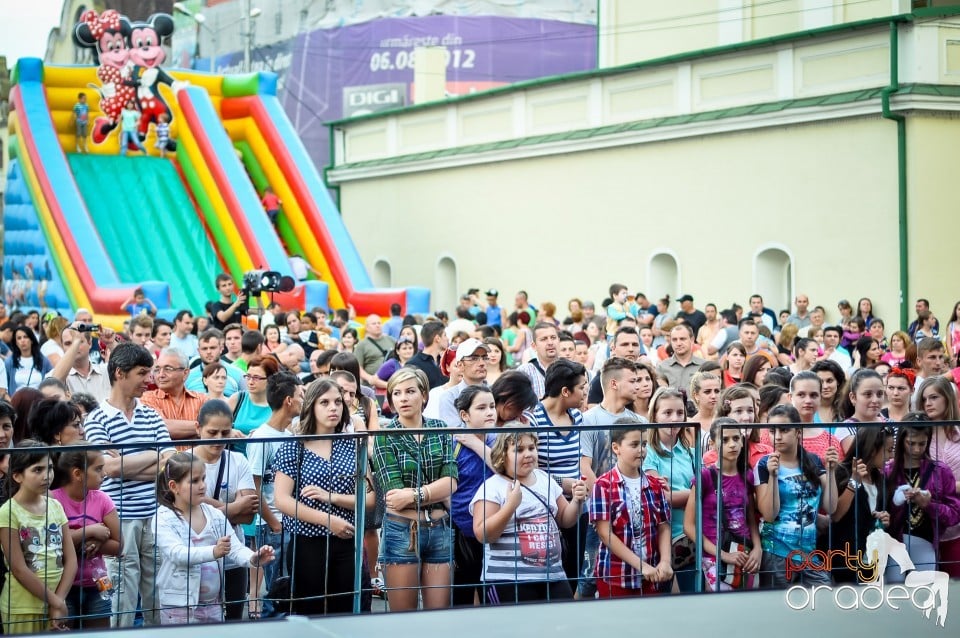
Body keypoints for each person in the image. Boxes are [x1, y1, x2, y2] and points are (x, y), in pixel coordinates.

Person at [83, 342, 175, 627]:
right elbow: (107, 468)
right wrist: (155, 454)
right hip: (119, 518)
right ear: (120, 374)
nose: (149, 380)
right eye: (142, 373)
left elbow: (171, 464)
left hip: (155, 514)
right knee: (122, 593)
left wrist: (128, 464)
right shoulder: (96, 418)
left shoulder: (151, 414)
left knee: (157, 590)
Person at [273, 378, 374, 615]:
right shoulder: (293, 446)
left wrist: (332, 498)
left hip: (347, 539)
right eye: (325, 402)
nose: (334, 408)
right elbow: (283, 500)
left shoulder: (352, 445)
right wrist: (328, 520)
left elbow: (369, 499)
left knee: (347, 609)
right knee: (310, 610)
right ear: (311, 406)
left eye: (338, 402)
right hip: (307, 541)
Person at [372, 369, 458, 611]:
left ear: (423, 395)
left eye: (410, 391)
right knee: (404, 619)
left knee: (439, 618)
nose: (403, 398)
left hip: (439, 528)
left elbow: (451, 481)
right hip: (401, 530)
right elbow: (394, 495)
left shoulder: (440, 428)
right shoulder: (385, 436)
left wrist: (416, 494)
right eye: (396, 393)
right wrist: (433, 492)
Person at [154, 452, 274, 624]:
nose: (202, 485)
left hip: (214, 605)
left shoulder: (213, 514)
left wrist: (252, 558)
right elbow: (177, 554)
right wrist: (214, 551)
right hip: (178, 606)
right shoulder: (164, 518)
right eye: (194, 481)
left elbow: (234, 547)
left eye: (203, 478)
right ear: (174, 486)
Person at [470, 430, 586, 604]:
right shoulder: (493, 487)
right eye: (519, 450)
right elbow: (483, 534)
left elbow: (565, 519)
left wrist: (577, 501)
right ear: (502, 456)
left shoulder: (544, 479)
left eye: (532, 448)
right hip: (508, 580)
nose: (528, 454)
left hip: (553, 575)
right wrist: (510, 506)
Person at [754, 407, 840, 587]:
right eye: (772, 431)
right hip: (777, 553)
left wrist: (831, 471)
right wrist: (773, 475)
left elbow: (831, 506)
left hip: (808, 553)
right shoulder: (764, 464)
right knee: (779, 611)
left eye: (784, 430)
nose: (777, 436)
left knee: (822, 599)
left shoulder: (813, 460)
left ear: (798, 432)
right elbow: (769, 514)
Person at [588, 420, 673, 598]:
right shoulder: (603, 485)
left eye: (643, 444)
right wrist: (642, 566)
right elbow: (605, 533)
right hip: (616, 576)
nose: (641, 450)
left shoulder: (654, 484)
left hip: (651, 575)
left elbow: (664, 524)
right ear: (616, 448)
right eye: (634, 444)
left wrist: (665, 561)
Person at [191, 401, 259, 620]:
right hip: (195, 555)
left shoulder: (238, 460)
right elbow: (188, 512)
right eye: (212, 432)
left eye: (225, 432)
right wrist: (234, 508)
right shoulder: (183, 462)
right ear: (198, 428)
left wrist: (204, 504)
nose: (219, 438)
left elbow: (248, 513)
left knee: (234, 618)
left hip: (233, 553)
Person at [0, 440, 77, 633]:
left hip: (56, 603)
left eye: (49, 468)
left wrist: (58, 602)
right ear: (17, 476)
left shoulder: (56, 506)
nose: (46, 476)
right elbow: (18, 568)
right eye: (37, 470)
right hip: (22, 608)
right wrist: (56, 601)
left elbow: (71, 559)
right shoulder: (8, 512)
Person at [684, 418, 762, 591]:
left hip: (744, 553)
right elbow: (689, 526)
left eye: (736, 438)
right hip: (714, 557)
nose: (732, 444)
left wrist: (758, 548)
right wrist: (724, 555)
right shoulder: (705, 476)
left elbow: (751, 519)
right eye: (725, 440)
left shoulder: (747, 475)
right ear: (713, 444)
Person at [532, 359, 588, 589]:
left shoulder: (578, 418)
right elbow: (529, 469)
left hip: (576, 506)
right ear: (565, 391)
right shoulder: (533, 418)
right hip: (545, 509)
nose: (586, 391)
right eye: (582, 386)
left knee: (573, 572)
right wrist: (560, 484)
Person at [51, 444, 120, 629]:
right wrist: (88, 532)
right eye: (98, 469)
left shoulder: (103, 500)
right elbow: (52, 543)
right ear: (77, 473)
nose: (104, 474)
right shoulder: (53, 500)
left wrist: (97, 542)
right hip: (63, 586)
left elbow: (119, 546)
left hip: (96, 584)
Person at [884, 414, 960, 579]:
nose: (917, 449)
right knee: (894, 594)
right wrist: (895, 502)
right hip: (893, 542)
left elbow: (954, 514)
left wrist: (929, 505)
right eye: (911, 443)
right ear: (901, 440)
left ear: (928, 441)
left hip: (926, 542)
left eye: (922, 444)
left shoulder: (941, 471)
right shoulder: (887, 471)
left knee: (923, 595)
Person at [642, 387, 697, 591]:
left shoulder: (690, 452)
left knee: (693, 595)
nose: (675, 418)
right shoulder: (647, 452)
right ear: (654, 415)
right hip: (661, 537)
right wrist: (694, 494)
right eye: (667, 413)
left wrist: (691, 494)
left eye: (680, 412)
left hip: (690, 535)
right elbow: (660, 497)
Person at [449, 385, 496, 606]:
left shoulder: (496, 440)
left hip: (495, 528)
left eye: (492, 406)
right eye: (482, 408)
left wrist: (476, 443)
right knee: (463, 592)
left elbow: (504, 467)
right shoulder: (453, 444)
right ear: (464, 415)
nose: (490, 412)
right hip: (463, 530)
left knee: (491, 594)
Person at [828, 427, 894, 583]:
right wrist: (854, 482)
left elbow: (876, 514)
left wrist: (884, 519)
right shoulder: (842, 472)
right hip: (847, 559)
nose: (891, 456)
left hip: (873, 559)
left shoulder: (880, 479)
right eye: (888, 450)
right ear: (872, 450)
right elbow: (836, 515)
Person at [141, 348, 209, 440]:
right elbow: (160, 427)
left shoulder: (202, 399)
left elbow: (214, 431)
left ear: (185, 373)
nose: (161, 375)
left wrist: (208, 429)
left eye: (168, 369)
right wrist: (204, 429)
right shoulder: (147, 398)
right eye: (157, 369)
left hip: (197, 454)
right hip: (165, 454)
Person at [438, 338, 489, 427]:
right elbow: (457, 434)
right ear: (460, 365)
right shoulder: (449, 397)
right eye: (474, 358)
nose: (482, 363)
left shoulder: (496, 392)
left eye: (485, 358)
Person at [227, 356, 278, 441]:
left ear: (270, 379)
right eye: (248, 376)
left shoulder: (279, 404)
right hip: (235, 453)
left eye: (256, 378)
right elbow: (217, 428)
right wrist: (228, 431)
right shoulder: (237, 399)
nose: (250, 382)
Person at [516, 323, 560, 400]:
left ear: (559, 341)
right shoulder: (524, 372)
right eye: (544, 339)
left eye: (553, 338)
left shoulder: (571, 369)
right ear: (534, 346)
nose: (550, 343)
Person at [657, 324, 705, 391]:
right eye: (674, 340)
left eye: (682, 339)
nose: (678, 343)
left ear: (692, 340)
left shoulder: (704, 366)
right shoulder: (662, 367)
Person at [5, 327, 53, 395]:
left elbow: (52, 380)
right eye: (19, 338)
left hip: (39, 403)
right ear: (16, 342)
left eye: (25, 337)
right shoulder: (9, 362)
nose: (22, 340)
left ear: (31, 340)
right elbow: (4, 388)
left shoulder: (43, 361)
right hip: (16, 403)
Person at [405, 320, 449, 389]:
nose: (447, 339)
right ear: (437, 338)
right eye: (445, 335)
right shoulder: (413, 364)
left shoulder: (445, 361)